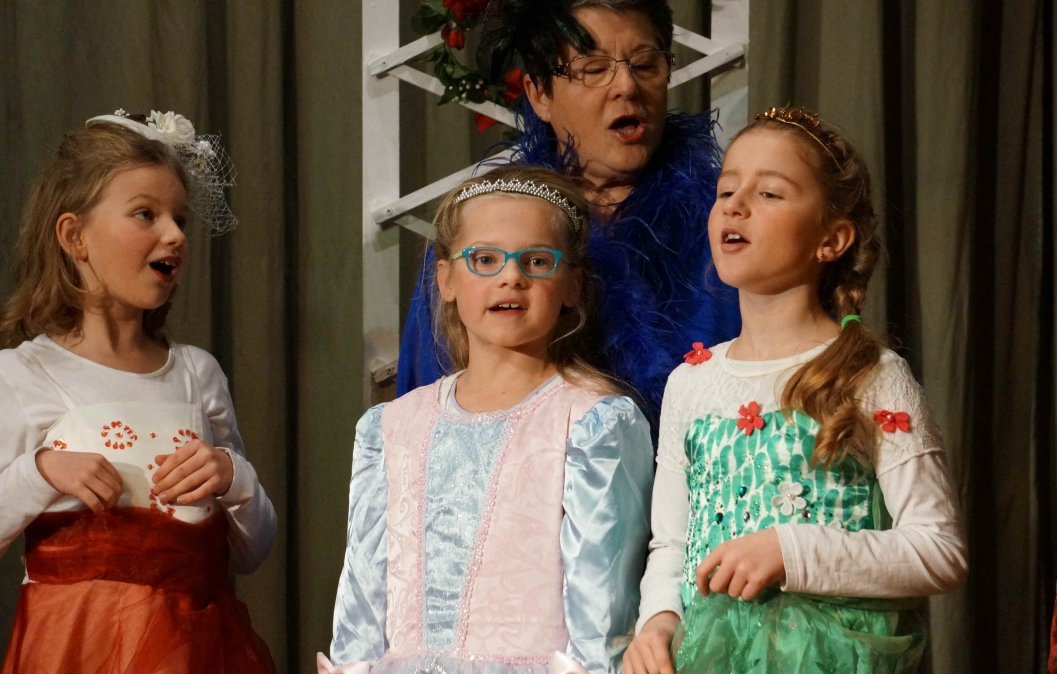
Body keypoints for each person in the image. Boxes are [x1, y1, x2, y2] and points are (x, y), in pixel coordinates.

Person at [0, 110, 277, 674]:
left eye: (180, 218)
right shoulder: (20, 375)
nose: (175, 235)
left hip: (198, 653)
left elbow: (251, 551)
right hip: (76, 650)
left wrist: (233, 477)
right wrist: (39, 472)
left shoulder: (197, 373)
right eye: (146, 214)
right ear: (75, 236)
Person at [623, 108, 968, 673]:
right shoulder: (691, 382)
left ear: (831, 239)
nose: (735, 206)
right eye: (726, 190)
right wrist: (658, 621)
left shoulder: (872, 375)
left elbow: (939, 551)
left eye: (769, 194)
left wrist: (791, 550)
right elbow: (672, 544)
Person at [323, 166, 653, 674]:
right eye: (485, 259)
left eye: (536, 260)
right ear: (446, 279)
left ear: (571, 285)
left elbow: (603, 615)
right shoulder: (389, 429)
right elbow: (362, 606)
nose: (510, 277)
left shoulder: (593, 423)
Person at [399, 0, 741, 424]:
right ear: (539, 94)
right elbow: (425, 412)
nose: (627, 86)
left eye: (645, 65)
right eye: (593, 69)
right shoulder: (481, 233)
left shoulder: (729, 221)